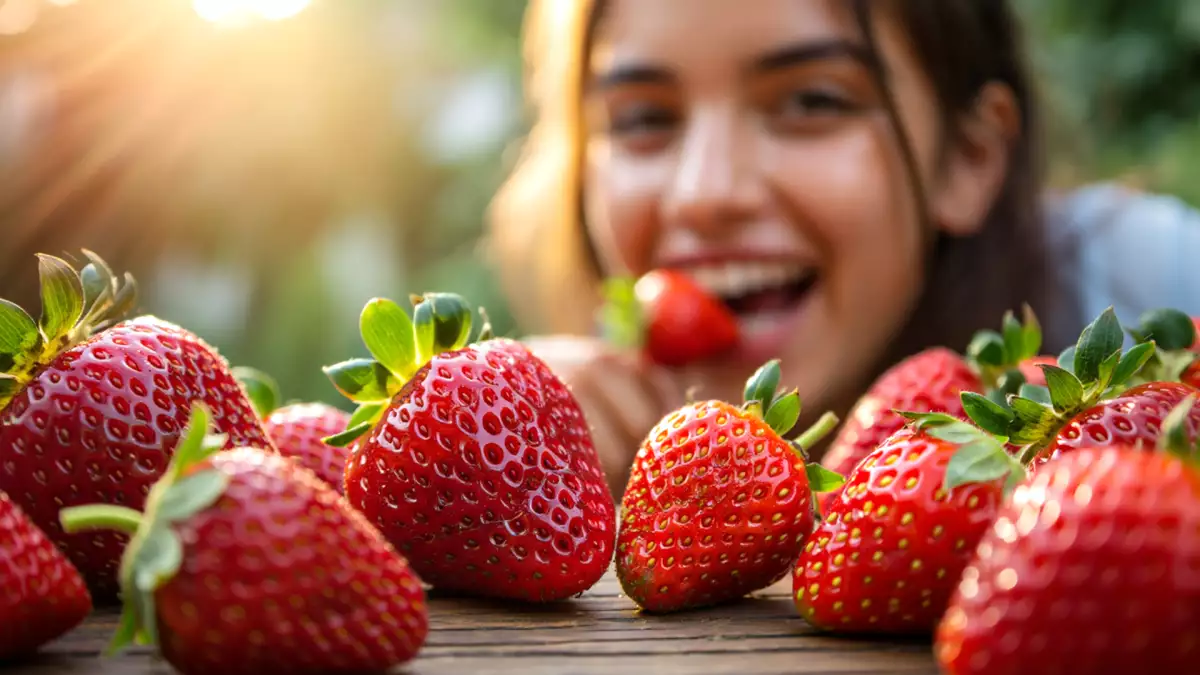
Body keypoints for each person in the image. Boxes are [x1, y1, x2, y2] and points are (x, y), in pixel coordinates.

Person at [486, 0, 1200, 495]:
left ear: (969, 157)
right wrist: (508, 444)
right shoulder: (561, 433)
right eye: (643, 116)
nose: (703, 192)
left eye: (811, 101)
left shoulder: (1148, 286)